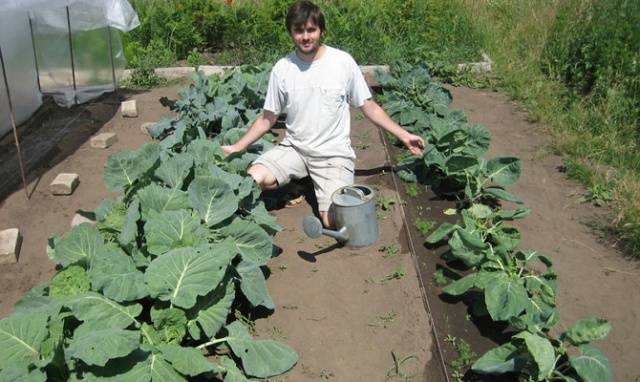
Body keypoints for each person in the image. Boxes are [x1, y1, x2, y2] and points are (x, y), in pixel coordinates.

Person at [222, 0, 424, 228]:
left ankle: (318, 184)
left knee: (333, 222)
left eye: (311, 30)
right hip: (295, 148)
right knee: (256, 178)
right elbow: (268, 117)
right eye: (299, 31)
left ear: (321, 30)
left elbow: (369, 106)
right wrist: (238, 146)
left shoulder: (342, 62)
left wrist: (404, 135)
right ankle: (299, 180)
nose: (305, 37)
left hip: (332, 154)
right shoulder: (283, 68)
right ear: (290, 32)